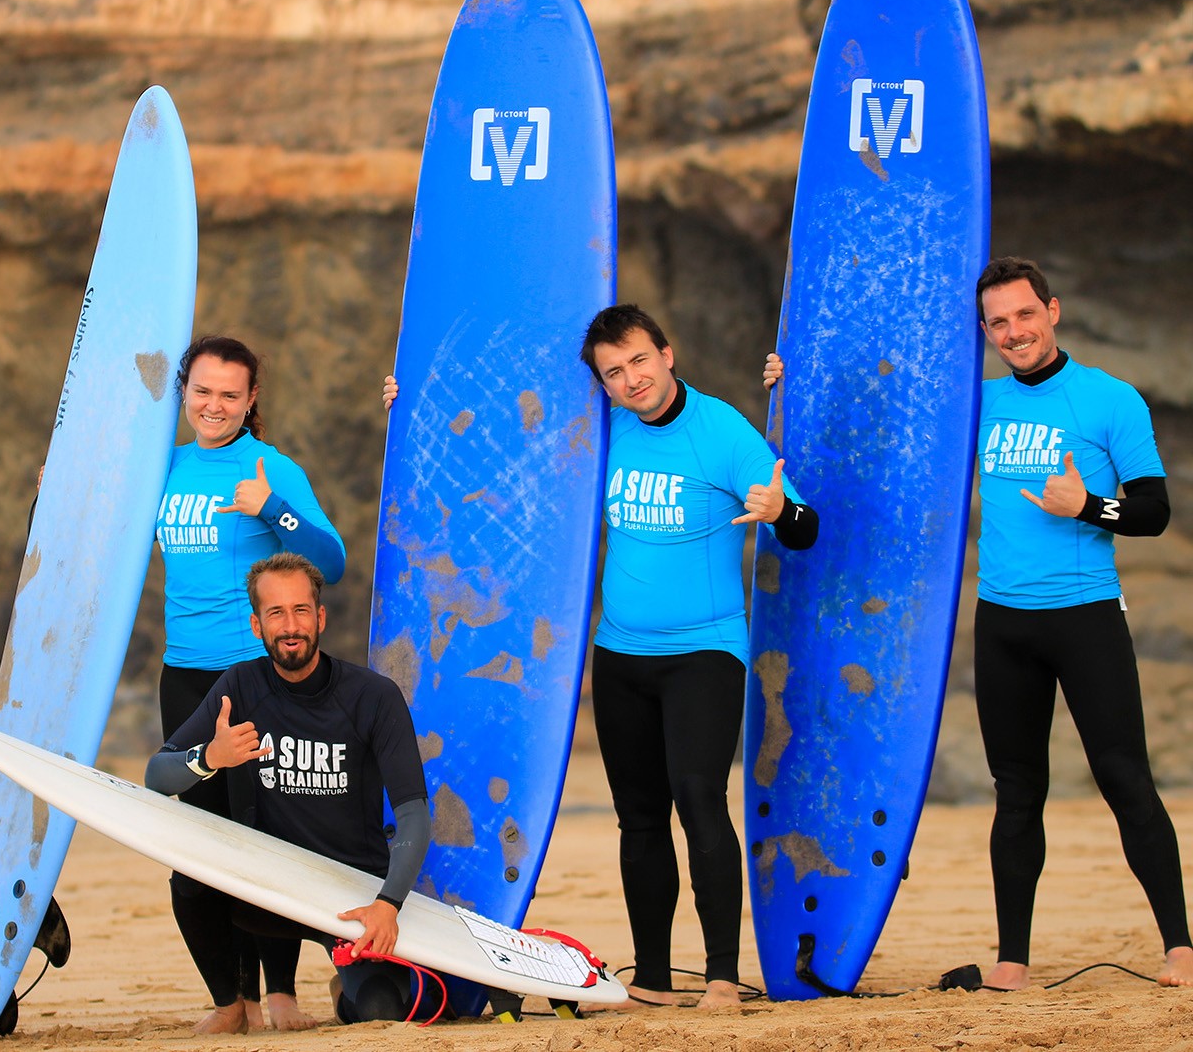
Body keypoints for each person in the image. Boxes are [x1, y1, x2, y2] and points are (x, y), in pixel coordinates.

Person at [764, 256, 1193, 990]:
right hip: (1004, 623)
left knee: (1125, 778)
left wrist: (1088, 506)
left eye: (1025, 315)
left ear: (1052, 311)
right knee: (1016, 790)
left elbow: (1154, 510)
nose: (1013, 331)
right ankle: (1013, 960)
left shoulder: (1110, 400)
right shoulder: (975, 403)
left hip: (1086, 616)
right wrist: (792, 378)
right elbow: (880, 411)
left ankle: (1180, 948)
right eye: (997, 322)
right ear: (986, 332)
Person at [384, 304, 818, 1010]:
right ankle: (651, 974)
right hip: (620, 655)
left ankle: (718, 974)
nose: (631, 379)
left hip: (705, 651)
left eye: (639, 361)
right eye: (613, 372)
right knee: (638, 815)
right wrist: (412, 402)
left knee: (699, 798)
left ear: (667, 354)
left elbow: (805, 526)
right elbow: (496, 447)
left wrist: (779, 513)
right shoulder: (601, 431)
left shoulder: (722, 432)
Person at [144, 552, 431, 1024]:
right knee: (190, 876)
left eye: (300, 611)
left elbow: (415, 813)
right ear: (257, 625)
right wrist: (210, 758)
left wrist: (387, 903)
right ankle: (230, 1004)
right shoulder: (240, 685)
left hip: (350, 892)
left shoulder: (373, 697)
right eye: (276, 613)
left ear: (320, 617)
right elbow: (157, 775)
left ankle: (346, 980)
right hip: (269, 889)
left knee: (380, 1010)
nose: (290, 626)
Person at [155, 335, 347, 1032]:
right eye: (203, 391)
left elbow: (332, 558)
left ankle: (282, 993)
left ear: (251, 399)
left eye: (229, 394)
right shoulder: (164, 467)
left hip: (257, 676)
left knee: (268, 836)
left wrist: (273, 508)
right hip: (184, 674)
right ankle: (227, 1000)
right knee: (196, 846)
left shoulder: (271, 468)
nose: (214, 405)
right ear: (184, 392)